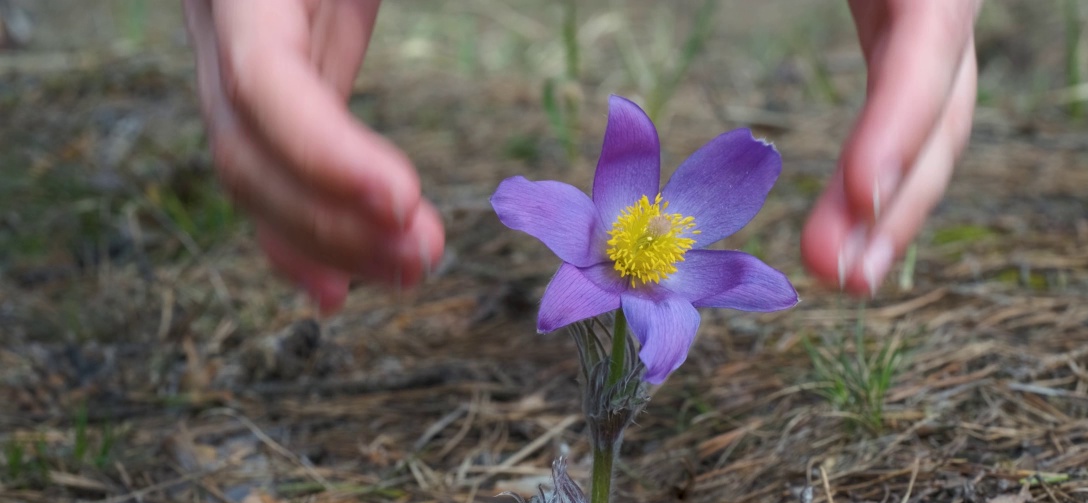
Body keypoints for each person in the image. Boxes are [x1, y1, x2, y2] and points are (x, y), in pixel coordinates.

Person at [183, 0, 980, 315]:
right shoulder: (586, 245)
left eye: (670, 228)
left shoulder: (674, 279)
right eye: (652, 221)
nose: (660, 227)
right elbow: (550, 255)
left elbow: (696, 316)